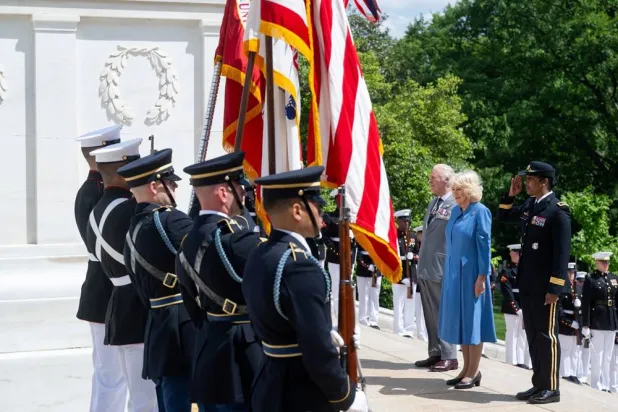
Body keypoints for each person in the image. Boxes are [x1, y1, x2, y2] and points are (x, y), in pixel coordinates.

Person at [242, 166, 367, 412]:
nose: (322, 213)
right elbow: (317, 349)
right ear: (297, 210)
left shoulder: (260, 253)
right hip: (302, 393)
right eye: (317, 205)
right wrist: (346, 396)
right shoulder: (300, 265)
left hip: (269, 384)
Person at [176, 152, 263, 411]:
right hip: (243, 355)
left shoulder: (186, 242)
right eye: (239, 187)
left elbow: (191, 304)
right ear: (224, 193)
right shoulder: (237, 240)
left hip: (208, 347)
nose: (245, 194)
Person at [117, 148, 196, 411]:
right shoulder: (171, 221)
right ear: (154, 186)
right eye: (171, 183)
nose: (174, 188)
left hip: (158, 326)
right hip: (183, 327)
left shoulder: (133, 229)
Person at [86, 138, 158, 411]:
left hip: (118, 302)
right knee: (145, 396)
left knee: (124, 386)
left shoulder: (97, 208)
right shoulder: (129, 211)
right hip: (137, 305)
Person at [498, 161, 571, 405]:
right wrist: (511, 195)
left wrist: (555, 288)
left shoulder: (558, 211)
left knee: (546, 335)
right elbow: (504, 215)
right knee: (532, 334)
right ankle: (538, 383)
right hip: (528, 283)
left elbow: (562, 255)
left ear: (544, 182)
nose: (526, 182)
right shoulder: (531, 205)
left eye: (530, 179)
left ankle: (551, 387)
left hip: (545, 288)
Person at [74, 125, 126, 411]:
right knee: (111, 376)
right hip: (107, 288)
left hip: (101, 288)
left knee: (111, 375)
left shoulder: (92, 190)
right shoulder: (98, 193)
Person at [438, 170, 496, 389]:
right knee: (461, 321)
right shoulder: (455, 212)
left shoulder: (480, 211)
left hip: (473, 274)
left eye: (459, 190)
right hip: (454, 274)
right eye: (454, 190)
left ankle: (474, 371)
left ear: (470, 190)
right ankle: (465, 368)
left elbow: (484, 246)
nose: (456, 194)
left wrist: (482, 277)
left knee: (473, 322)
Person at [415, 164, 458, 372]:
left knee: (443, 312)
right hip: (426, 265)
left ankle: (450, 356)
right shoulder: (434, 202)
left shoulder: (456, 204)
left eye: (434, 177)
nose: (430, 180)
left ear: (447, 180)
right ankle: (436, 352)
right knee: (430, 312)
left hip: (443, 266)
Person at [581, 251, 618, 392]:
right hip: (597, 322)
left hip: (611, 322)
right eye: (603, 262)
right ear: (597, 263)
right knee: (598, 356)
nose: (606, 264)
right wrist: (586, 324)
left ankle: (607, 385)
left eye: (607, 262)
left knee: (608, 357)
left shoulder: (614, 278)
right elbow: (586, 303)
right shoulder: (591, 279)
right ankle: (596, 385)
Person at [321, 190, 356, 328]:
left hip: (349, 256)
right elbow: (325, 237)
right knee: (336, 287)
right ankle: (337, 318)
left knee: (348, 287)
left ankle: (347, 317)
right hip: (335, 256)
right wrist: (336, 251)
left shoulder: (352, 218)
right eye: (339, 199)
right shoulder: (330, 217)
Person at [500, 243, 530, 369]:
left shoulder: (525, 270)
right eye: (515, 253)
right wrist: (517, 309)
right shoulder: (506, 271)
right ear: (511, 254)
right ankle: (511, 359)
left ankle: (520, 359)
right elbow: (507, 292)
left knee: (522, 334)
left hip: (523, 306)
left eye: (519, 253)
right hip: (511, 307)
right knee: (512, 333)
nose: (517, 255)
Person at [393, 209, 415, 337]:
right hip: (399, 272)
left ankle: (409, 329)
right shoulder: (394, 235)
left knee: (410, 304)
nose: (406, 223)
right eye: (404, 221)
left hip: (411, 273)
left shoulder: (411, 235)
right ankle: (398, 328)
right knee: (398, 302)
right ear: (398, 221)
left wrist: (414, 256)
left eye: (407, 221)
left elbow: (418, 252)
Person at [558, 263, 581, 385]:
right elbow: (559, 309)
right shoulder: (562, 287)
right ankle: (565, 373)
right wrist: (569, 322)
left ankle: (573, 373)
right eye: (569, 272)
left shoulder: (577, 287)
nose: (571, 275)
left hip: (576, 323)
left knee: (575, 351)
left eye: (573, 272)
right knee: (566, 350)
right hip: (566, 324)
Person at [356, 244, 382, 329]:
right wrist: (366, 265)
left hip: (377, 269)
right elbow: (358, 252)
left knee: (375, 296)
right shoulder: (362, 235)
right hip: (364, 270)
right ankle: (363, 318)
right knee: (364, 296)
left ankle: (374, 320)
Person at [411, 226, 428, 341]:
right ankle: (420, 332)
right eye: (419, 234)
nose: (420, 236)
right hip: (418, 281)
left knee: (426, 311)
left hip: (426, 281)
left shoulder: (427, 247)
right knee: (418, 310)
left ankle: (425, 333)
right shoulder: (415, 248)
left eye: (421, 234)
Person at [575, 271, 590, 384]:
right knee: (579, 351)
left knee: (586, 350)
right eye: (579, 281)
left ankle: (584, 374)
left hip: (588, 326)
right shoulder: (576, 292)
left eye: (584, 281)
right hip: (580, 325)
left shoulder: (589, 293)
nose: (582, 283)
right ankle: (578, 373)